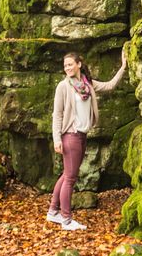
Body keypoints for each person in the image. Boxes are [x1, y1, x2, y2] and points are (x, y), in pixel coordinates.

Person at [47, 48, 126, 231]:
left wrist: (123, 66)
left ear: (79, 64)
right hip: (70, 135)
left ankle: (53, 212)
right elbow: (57, 115)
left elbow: (109, 86)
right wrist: (56, 139)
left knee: (67, 175)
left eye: (70, 64)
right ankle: (66, 219)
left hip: (82, 135)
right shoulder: (63, 87)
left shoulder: (87, 84)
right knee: (70, 178)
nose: (67, 68)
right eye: (65, 65)